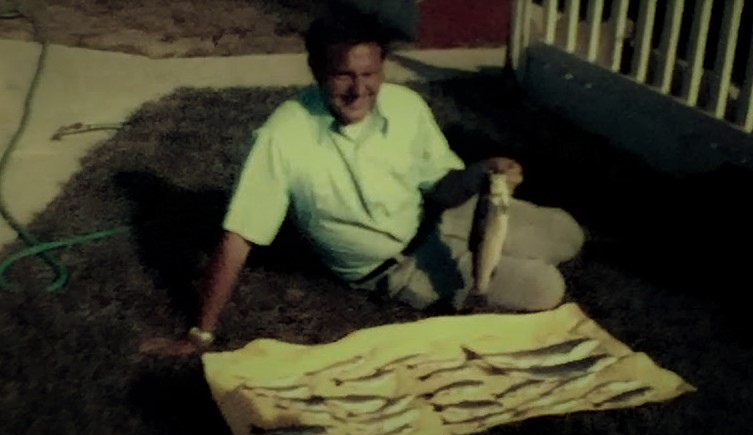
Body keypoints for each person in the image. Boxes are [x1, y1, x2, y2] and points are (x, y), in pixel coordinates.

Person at [143, 8, 584, 355]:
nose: (359, 90)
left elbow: (443, 187)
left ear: (382, 66)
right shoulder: (281, 136)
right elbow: (238, 236)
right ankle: (480, 281)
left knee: (568, 233)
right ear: (318, 71)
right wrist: (201, 333)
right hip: (399, 268)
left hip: (446, 216)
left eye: (369, 74)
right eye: (343, 75)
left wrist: (481, 172)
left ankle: (496, 256)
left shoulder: (406, 105)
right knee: (547, 288)